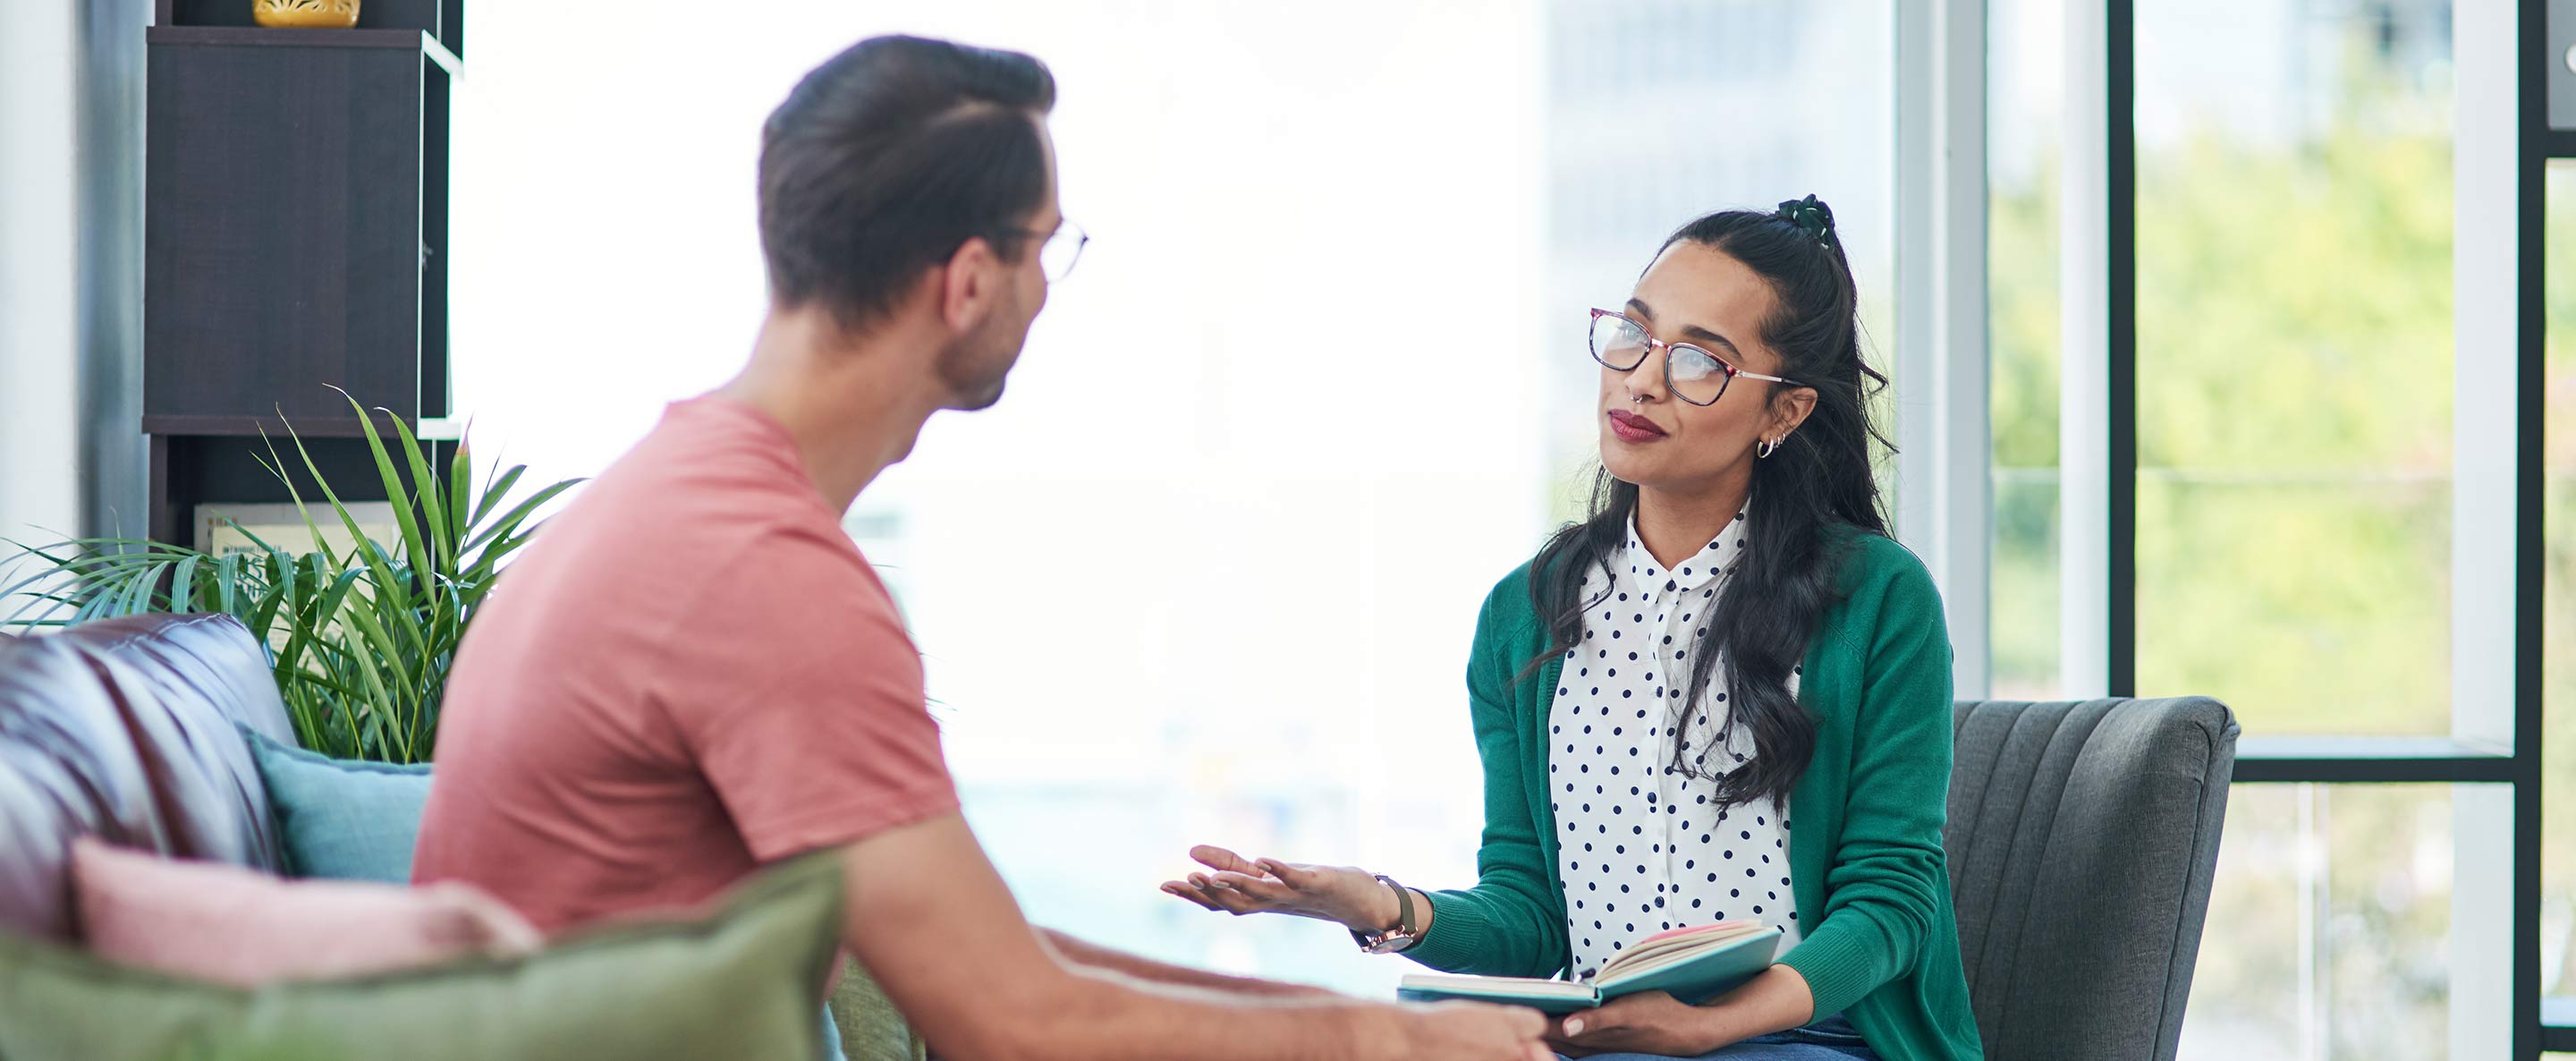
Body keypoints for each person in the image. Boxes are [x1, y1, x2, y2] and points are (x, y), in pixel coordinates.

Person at [410, 34, 1553, 1061]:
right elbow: (1013, 1022)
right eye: (1049, 249)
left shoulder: (683, 496)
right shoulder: (761, 575)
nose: (1051, 288)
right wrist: (1379, 1044)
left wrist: (1362, 1024)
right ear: (967, 281)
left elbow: (993, 959)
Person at [1161, 199, 1984, 1061]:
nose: (1643, 379)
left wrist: (1707, 1026)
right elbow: (1530, 915)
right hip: (1605, 1043)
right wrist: (1375, 905)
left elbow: (1889, 902)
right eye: (1634, 333)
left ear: (1784, 412)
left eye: (1701, 360)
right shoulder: (1523, 617)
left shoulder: (1880, 599)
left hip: (1808, 1040)